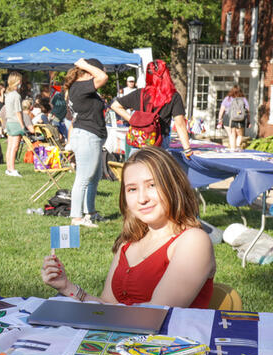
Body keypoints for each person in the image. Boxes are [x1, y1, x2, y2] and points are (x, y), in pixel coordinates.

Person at [41, 147, 215, 309]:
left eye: (152, 185)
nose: (142, 198)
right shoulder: (129, 242)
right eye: (132, 189)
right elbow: (107, 306)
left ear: (173, 185)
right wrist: (66, 287)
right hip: (124, 338)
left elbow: (157, 315)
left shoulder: (193, 241)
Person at [110, 60, 192, 155]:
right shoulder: (173, 96)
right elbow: (180, 124)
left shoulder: (139, 93)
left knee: (136, 168)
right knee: (155, 170)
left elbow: (115, 105)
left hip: (139, 140)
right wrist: (187, 149)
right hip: (159, 142)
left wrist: (133, 120)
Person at [64, 58, 109, 227]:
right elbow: (103, 77)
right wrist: (84, 65)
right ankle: (76, 217)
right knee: (83, 178)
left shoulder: (79, 88)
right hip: (86, 136)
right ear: (89, 72)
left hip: (90, 136)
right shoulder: (80, 86)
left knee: (94, 177)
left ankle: (90, 212)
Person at [3, 71, 35, 177]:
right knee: (14, 147)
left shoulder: (8, 94)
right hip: (16, 122)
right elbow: (18, 112)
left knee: (10, 146)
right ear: (18, 81)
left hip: (9, 122)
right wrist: (22, 125)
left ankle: (8, 168)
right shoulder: (16, 95)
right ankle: (12, 169)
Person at [217, 85, 250, 151]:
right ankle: (237, 147)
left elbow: (222, 109)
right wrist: (248, 121)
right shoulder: (243, 99)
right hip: (240, 119)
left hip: (228, 118)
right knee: (240, 135)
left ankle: (232, 149)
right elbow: (247, 111)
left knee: (231, 134)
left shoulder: (228, 98)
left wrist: (220, 119)